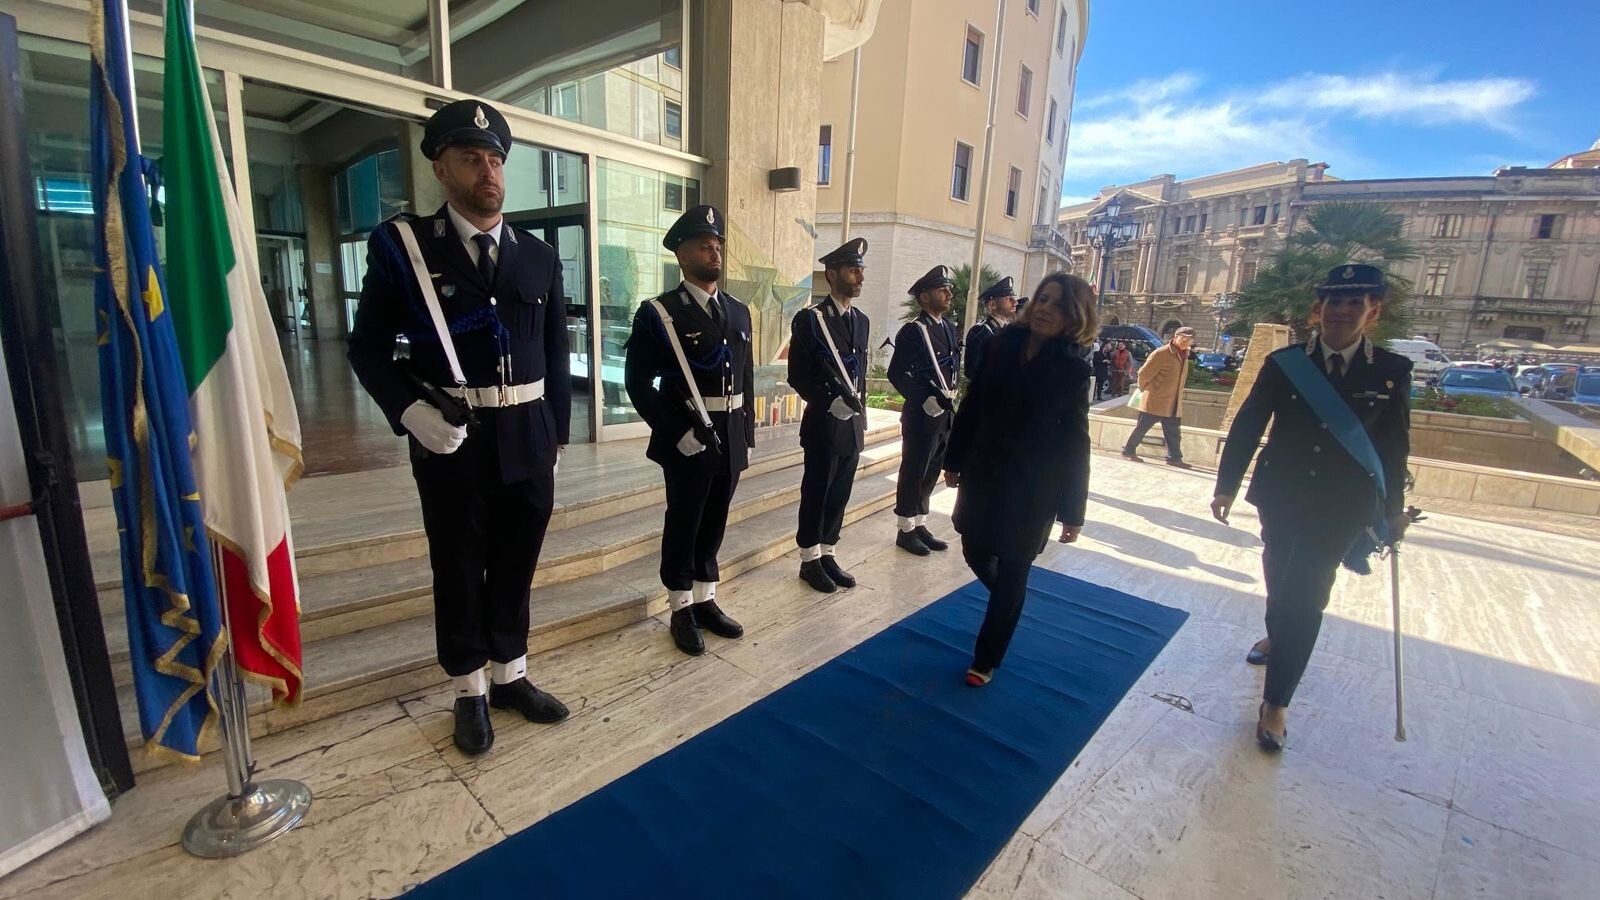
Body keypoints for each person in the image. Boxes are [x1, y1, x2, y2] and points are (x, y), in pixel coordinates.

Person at [347, 100, 570, 756]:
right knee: (459, 565)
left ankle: (512, 676)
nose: (488, 171)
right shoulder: (408, 249)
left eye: (496, 158)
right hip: (453, 441)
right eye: (472, 158)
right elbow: (367, 348)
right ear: (441, 167)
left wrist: (553, 435)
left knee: (516, 563)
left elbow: (556, 354)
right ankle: (470, 689)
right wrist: (408, 412)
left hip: (528, 437)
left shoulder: (539, 255)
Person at [1210, 263, 1413, 753]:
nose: (1342, 312)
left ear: (1373, 311)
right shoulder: (1285, 364)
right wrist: (1226, 485)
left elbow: (1393, 447)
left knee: (1306, 595)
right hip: (1280, 496)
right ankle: (1279, 638)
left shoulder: (1391, 371)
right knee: (1280, 579)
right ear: (1318, 310)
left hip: (1342, 506)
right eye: (1334, 303)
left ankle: (1276, 703)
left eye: (1355, 303)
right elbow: (1248, 423)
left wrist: (1392, 512)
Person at [942, 272, 1095, 686]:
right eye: (1043, 299)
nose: (1045, 308)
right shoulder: (998, 347)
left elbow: (1076, 444)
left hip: (1034, 487)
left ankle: (986, 659)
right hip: (985, 474)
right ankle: (1009, 605)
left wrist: (1072, 511)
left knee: (1014, 567)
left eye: (1059, 304)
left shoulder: (1073, 370)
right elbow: (972, 408)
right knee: (973, 547)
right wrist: (953, 459)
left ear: (1074, 316)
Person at [623, 205, 753, 657]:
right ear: (681, 254)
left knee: (715, 521)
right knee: (684, 522)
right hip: (689, 438)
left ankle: (705, 599)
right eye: (703, 245)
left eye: (717, 245)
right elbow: (637, 384)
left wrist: (746, 437)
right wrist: (677, 431)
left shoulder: (738, 311)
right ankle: (680, 607)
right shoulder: (660, 313)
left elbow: (746, 379)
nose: (713, 252)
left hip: (729, 436)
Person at [789, 238, 872, 593]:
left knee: (840, 492)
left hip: (851, 425)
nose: (860, 277)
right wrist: (826, 402)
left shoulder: (862, 321)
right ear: (832, 273)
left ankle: (828, 552)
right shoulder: (811, 320)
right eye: (854, 270)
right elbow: (798, 374)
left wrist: (858, 414)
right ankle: (809, 559)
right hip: (824, 423)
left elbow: (860, 373)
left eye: (861, 270)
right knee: (818, 491)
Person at [888, 266, 961, 556]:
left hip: (944, 412)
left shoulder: (949, 328)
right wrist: (921, 399)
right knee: (914, 470)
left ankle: (920, 522)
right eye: (942, 290)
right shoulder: (913, 331)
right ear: (924, 296)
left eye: (947, 289)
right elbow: (897, 373)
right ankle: (905, 529)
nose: (948, 294)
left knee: (931, 471)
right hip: (922, 414)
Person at [1121, 326, 1195, 468]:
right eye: (1184, 338)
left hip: (1173, 402)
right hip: (1156, 400)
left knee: (1174, 432)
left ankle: (1174, 458)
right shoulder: (1161, 353)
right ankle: (1128, 451)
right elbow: (1143, 374)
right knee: (1142, 428)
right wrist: (1145, 390)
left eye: (1190, 339)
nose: (1187, 341)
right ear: (1176, 336)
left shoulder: (1184, 354)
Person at [963, 276, 1017, 383]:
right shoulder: (981, 331)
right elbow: (972, 371)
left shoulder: (1011, 330)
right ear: (993, 304)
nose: (1015, 302)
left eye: (1013, 298)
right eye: (1008, 299)